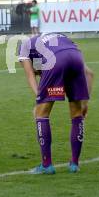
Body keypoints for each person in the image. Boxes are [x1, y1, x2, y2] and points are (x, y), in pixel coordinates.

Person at [18, 33, 93, 174]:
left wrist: (40, 99)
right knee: (77, 113)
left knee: (41, 113)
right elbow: (90, 74)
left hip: (56, 61)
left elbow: (30, 75)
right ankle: (74, 164)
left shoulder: (24, 46)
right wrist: (85, 102)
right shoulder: (61, 39)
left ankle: (46, 165)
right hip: (76, 57)